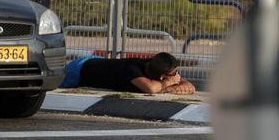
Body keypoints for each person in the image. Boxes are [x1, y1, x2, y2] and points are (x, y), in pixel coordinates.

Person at [60, 52, 195, 95]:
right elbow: (151, 88)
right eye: (175, 73)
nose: (177, 75)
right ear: (162, 77)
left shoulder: (154, 66)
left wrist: (168, 87)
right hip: (79, 70)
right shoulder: (132, 70)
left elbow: (190, 87)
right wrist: (168, 85)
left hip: (99, 64)